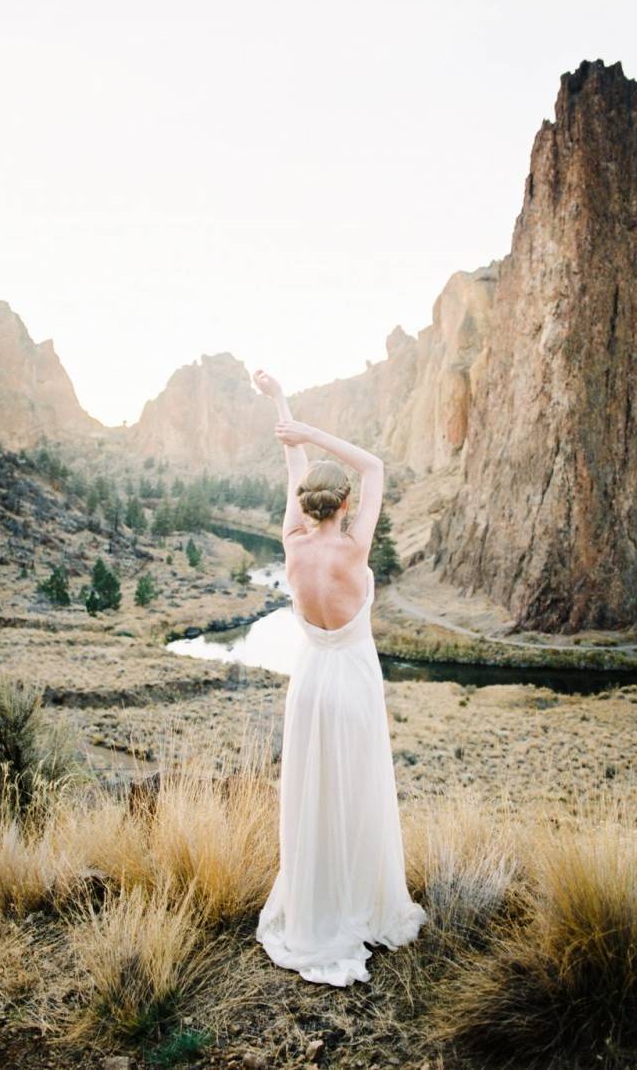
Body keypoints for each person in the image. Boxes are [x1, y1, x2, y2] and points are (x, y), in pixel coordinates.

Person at [252, 368, 427, 987]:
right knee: (357, 791)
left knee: (312, 793)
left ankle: (318, 905)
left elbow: (291, 464)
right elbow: (374, 464)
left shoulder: (293, 543)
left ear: (305, 505)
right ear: (347, 504)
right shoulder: (353, 549)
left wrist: (280, 401)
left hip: (310, 682)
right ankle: (359, 902)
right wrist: (312, 430)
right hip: (352, 680)